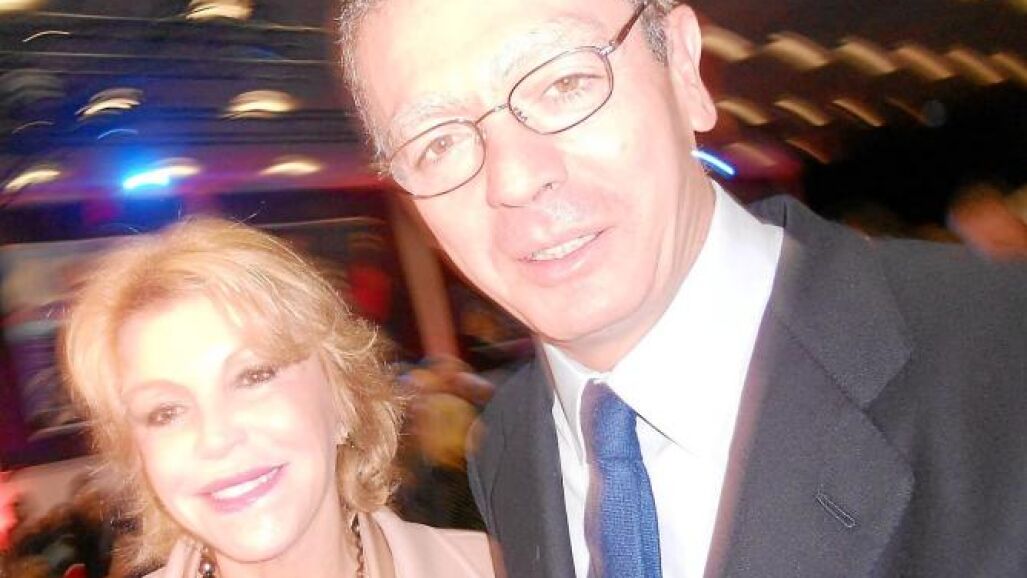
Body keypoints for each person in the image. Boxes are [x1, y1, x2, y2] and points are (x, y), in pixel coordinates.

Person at [337, 0, 1027, 577]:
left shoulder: (1000, 351)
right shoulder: (509, 447)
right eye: (436, 142)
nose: (514, 179)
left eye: (563, 82)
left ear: (684, 69)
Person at [58, 218, 494, 578]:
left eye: (254, 376)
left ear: (343, 399)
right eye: (165, 412)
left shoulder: (499, 566)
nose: (216, 438)